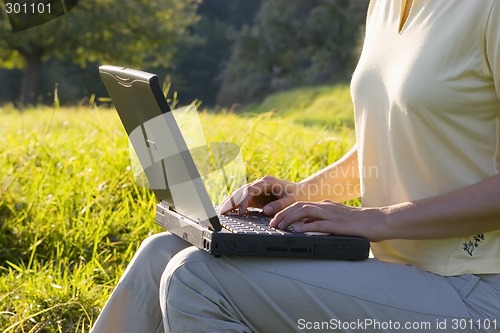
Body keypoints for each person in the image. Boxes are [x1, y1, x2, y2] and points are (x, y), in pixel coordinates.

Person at [90, 0, 500, 332]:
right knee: (162, 251)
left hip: (475, 288)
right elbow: (390, 138)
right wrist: (300, 194)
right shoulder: (386, 5)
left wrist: (378, 220)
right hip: (396, 270)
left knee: (194, 277)